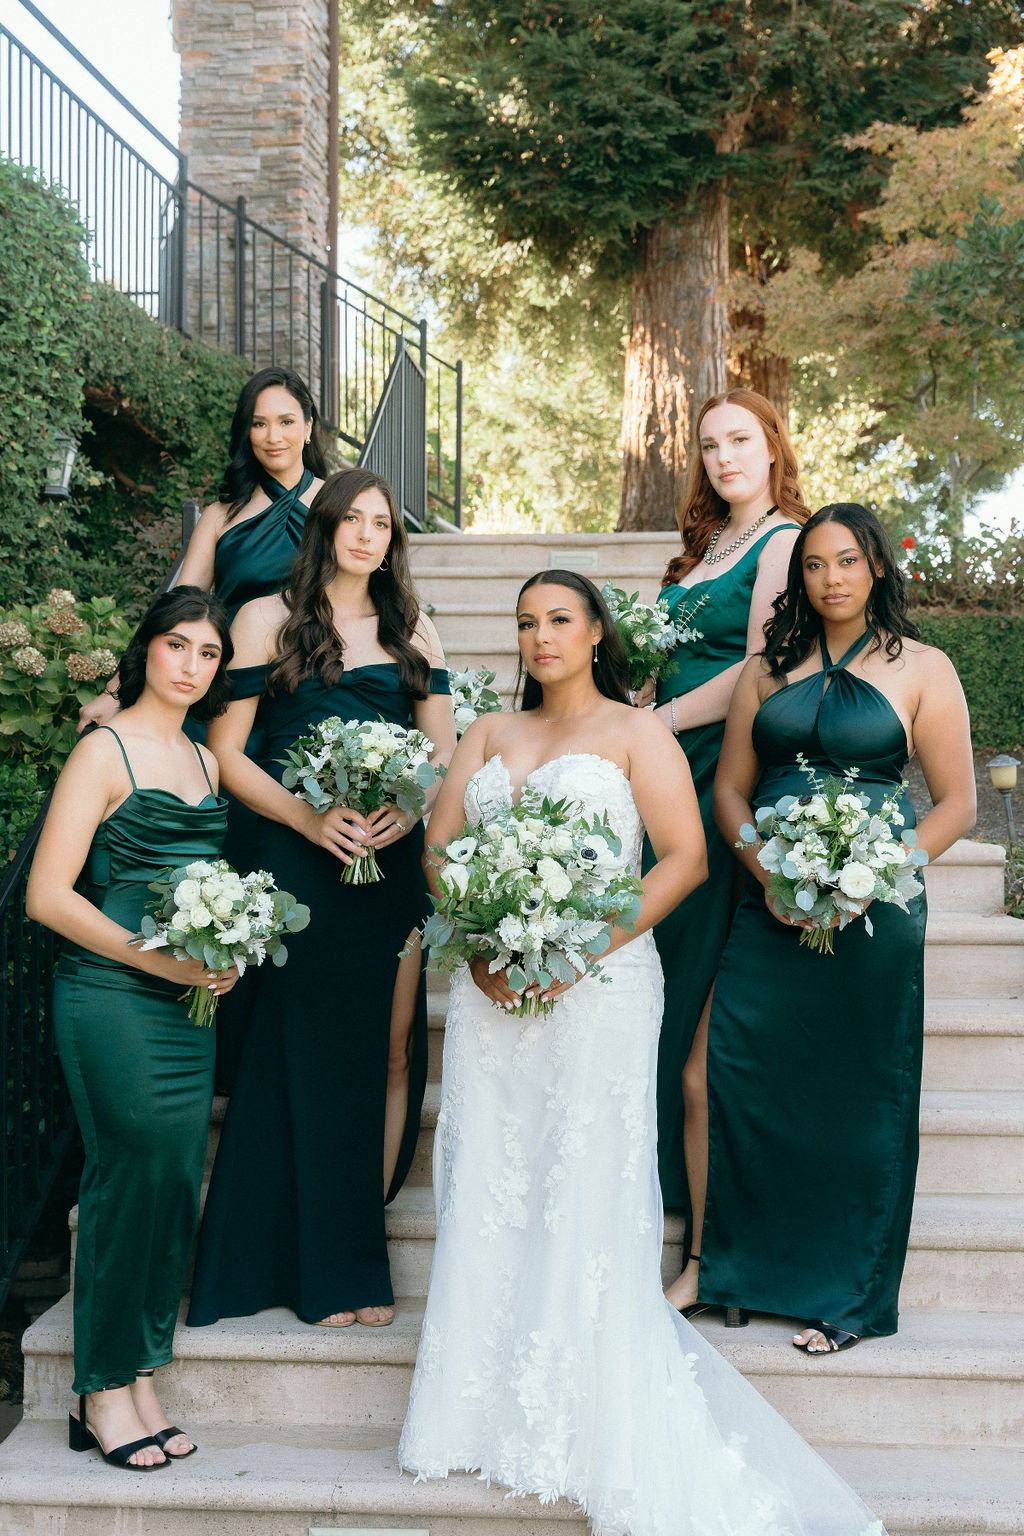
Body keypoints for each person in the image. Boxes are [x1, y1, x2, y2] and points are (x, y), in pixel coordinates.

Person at [399, 569, 888, 1536]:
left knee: (581, 1176)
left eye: (560, 622)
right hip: (495, 989)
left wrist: (578, 946)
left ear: (595, 636)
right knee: (495, 1170)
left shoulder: (639, 733)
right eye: (526, 622)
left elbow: (685, 859)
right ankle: (475, 1401)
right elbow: (438, 847)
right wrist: (491, 937)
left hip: (602, 987)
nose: (541, 638)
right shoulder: (490, 734)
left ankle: (583, 1398)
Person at [186, 467, 456, 1330]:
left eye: (383, 523)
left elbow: (442, 749)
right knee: (298, 1052)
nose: (368, 535)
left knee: (376, 1055)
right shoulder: (267, 617)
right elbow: (229, 754)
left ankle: (347, 1262)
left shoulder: (412, 625)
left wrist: (407, 801)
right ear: (327, 526)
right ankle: (284, 1263)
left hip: (388, 861)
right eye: (353, 519)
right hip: (301, 857)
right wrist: (309, 818)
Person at [701, 504, 976, 1353]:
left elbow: (958, 805)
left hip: (874, 911)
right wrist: (765, 870)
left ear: (878, 568)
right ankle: (742, 1276)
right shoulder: (764, 670)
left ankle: (847, 1299)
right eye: (815, 566)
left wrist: (877, 877)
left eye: (848, 562)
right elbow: (730, 794)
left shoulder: (924, 668)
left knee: (861, 1097)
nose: (831, 579)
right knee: (749, 1080)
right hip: (769, 904)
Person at [25, 588, 238, 1470]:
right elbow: (46, 895)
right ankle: (99, 1388)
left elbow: (204, 888)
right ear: (146, 649)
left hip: (189, 1005)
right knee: (126, 1176)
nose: (191, 666)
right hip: (111, 993)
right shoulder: (102, 750)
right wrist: (157, 962)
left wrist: (227, 948)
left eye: (209, 654)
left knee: (172, 1178)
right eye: (176, 646)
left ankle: (141, 1374)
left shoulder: (206, 760)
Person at [645, 388, 808, 1315]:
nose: (722, 457)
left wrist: (657, 722)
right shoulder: (705, 549)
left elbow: (756, 666)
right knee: (659, 988)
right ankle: (664, 1201)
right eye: (708, 445)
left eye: (739, 440)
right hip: (662, 758)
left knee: (694, 991)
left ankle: (710, 1234)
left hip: (714, 764)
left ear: (772, 447)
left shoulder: (784, 541)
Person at [77, 364, 328, 731]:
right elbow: (175, 609)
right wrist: (114, 693)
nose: (273, 436)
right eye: (259, 423)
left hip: (312, 685)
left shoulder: (339, 506)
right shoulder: (219, 517)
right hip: (226, 687)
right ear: (247, 432)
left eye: (286, 421)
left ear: (307, 427)